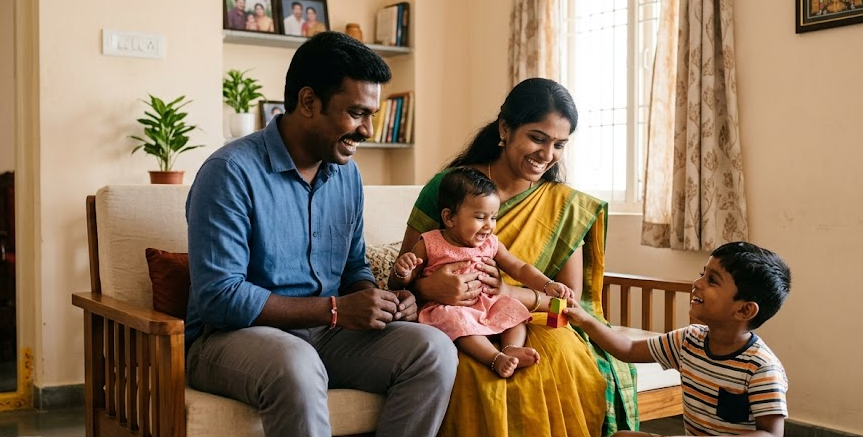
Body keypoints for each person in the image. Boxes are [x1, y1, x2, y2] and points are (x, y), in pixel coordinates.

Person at [185, 31, 458, 437]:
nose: (367, 130)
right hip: (230, 340)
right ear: (309, 102)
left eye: (372, 115)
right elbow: (220, 298)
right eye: (356, 113)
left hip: (326, 335)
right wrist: (335, 310)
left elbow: (353, 268)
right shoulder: (230, 173)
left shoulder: (347, 176)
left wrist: (378, 300)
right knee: (294, 360)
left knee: (433, 350)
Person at [397, 77, 638, 436]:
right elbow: (402, 278)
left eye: (559, 144)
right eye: (538, 138)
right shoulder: (451, 187)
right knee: (468, 373)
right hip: (454, 320)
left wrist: (510, 294)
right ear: (505, 129)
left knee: (554, 360)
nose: (547, 154)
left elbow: (568, 305)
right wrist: (432, 288)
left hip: (530, 321)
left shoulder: (563, 206)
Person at [565, 242, 791, 437]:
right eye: (703, 273)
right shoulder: (689, 340)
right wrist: (586, 320)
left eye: (712, 280)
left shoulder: (761, 368)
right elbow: (630, 349)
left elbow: (771, 433)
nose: (698, 283)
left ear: (744, 310)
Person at [389, 166, 575, 378]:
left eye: (493, 218)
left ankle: (510, 348)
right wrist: (403, 270)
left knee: (513, 309)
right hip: (449, 307)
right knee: (457, 322)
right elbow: (406, 281)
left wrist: (547, 285)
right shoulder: (430, 242)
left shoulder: (490, 243)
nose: (488, 226)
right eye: (480, 217)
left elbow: (519, 268)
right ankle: (494, 358)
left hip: (486, 302)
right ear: (449, 218)